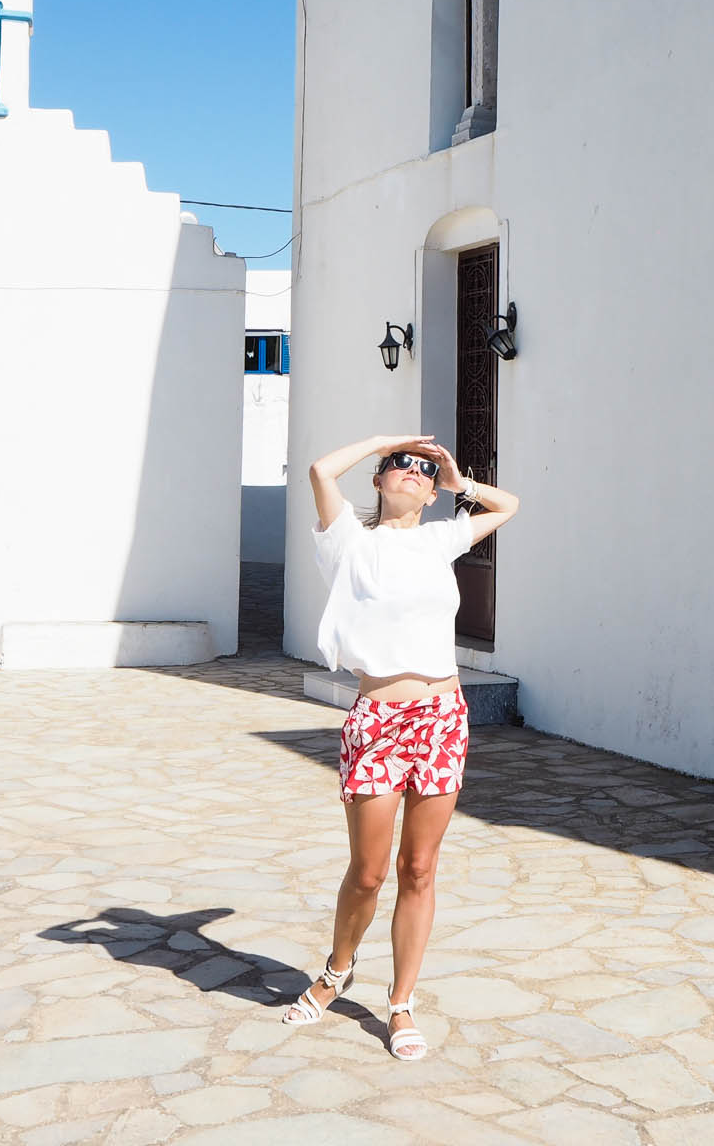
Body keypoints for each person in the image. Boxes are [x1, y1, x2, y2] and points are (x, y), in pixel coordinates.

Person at [280, 433, 519, 1060]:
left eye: (422, 470)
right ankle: (337, 970)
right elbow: (320, 468)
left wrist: (456, 477)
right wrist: (392, 439)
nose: (412, 473)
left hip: (441, 716)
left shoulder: (440, 537)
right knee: (368, 870)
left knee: (419, 869)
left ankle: (401, 1003)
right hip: (378, 718)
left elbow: (509, 506)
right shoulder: (348, 544)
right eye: (400, 467)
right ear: (381, 479)